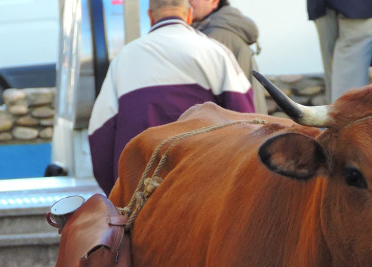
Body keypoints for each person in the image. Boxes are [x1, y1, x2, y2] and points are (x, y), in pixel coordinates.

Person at [88, 0, 255, 196]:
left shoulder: (123, 59)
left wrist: (120, 192)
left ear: (150, 16)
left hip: (142, 197)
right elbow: (247, 124)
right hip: (206, 191)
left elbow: (99, 136)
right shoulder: (215, 52)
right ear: (189, 14)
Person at [307, 0, 372, 101]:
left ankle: (335, 114)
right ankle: (344, 115)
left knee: (333, 74)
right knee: (350, 80)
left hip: (322, 6)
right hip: (360, 7)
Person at [189, 0, 267, 114]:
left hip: (238, 127)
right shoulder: (222, 30)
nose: (187, 2)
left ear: (214, 2)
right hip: (249, 124)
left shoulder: (215, 37)